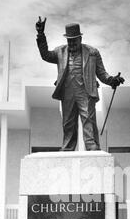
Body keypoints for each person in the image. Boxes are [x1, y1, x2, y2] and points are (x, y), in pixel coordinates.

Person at [35, 18, 125, 151]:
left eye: (74, 40)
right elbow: (45, 55)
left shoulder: (92, 52)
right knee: (68, 122)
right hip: (67, 91)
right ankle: (67, 148)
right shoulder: (60, 51)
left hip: (85, 91)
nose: (71, 43)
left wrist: (112, 80)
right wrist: (41, 35)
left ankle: (92, 146)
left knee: (88, 119)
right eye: (69, 40)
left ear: (80, 39)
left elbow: (101, 73)